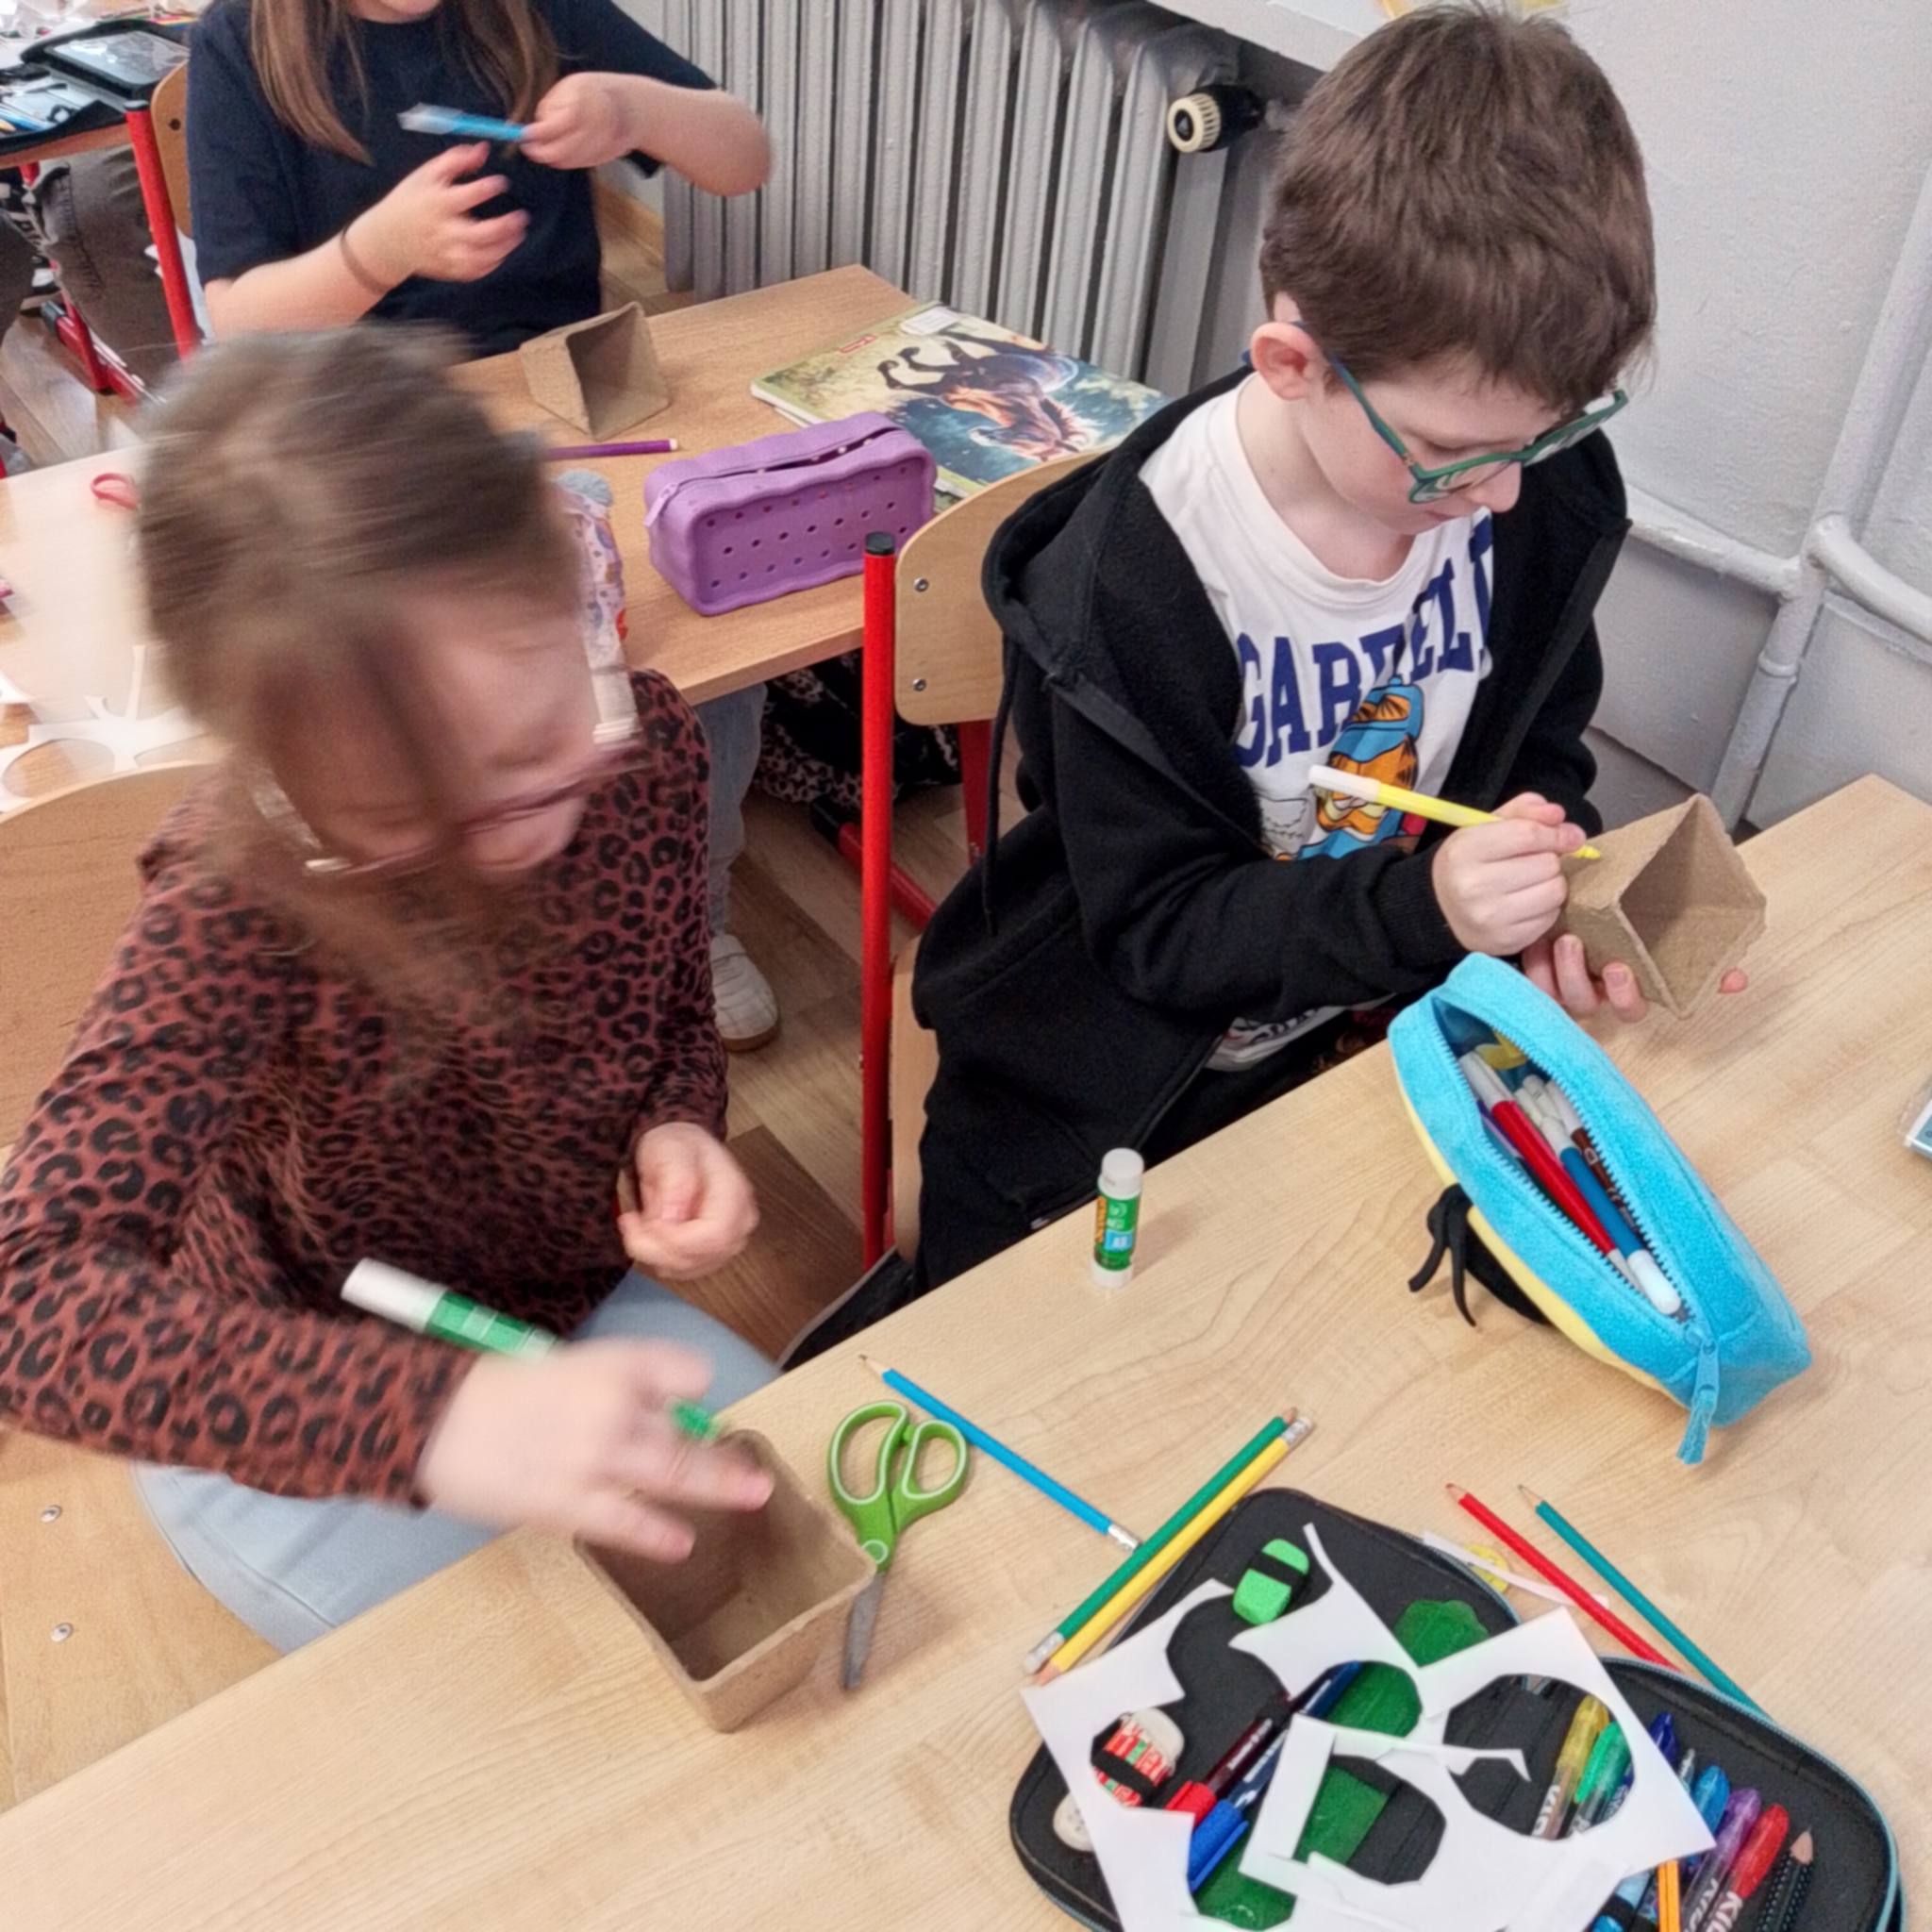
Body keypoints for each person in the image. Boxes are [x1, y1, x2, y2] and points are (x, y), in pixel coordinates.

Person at [904, 5, 1742, 1297]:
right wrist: (1429, 908)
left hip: (1362, 1055)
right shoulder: (1134, 582)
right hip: (1092, 1103)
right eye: (1451, 456)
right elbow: (1159, 929)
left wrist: (1538, 884)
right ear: (1292, 364)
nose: (1504, 495)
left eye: (1549, 435)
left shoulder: (1528, 486)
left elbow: (1536, 742)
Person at [0, 330, 776, 1651]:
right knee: (541, 1692)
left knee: (778, 1555)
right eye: (404, 815)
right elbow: (30, 1301)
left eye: (538, 746)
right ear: (277, 771)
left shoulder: (644, 751)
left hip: (551, 1314)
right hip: (282, 1384)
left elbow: (668, 1016)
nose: (511, 834)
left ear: (573, 584)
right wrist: (424, 1420)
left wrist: (675, 1123)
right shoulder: (233, 898)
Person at [186, 0, 780, 1049]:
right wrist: (375, 254)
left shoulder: (528, 9)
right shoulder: (243, 42)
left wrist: (632, 108)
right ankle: (477, 922)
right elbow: (237, 324)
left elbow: (744, 156)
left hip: (564, 398)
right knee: (427, 682)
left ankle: (696, 907)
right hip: (360, 426)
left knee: (707, 618)